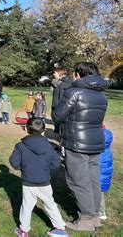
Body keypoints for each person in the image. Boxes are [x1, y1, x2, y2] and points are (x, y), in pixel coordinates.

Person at [52, 62, 108, 232]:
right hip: (95, 141)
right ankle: (95, 216)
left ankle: (86, 219)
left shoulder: (73, 92)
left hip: (77, 142)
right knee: (92, 180)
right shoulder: (101, 95)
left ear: (78, 74)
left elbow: (57, 115)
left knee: (78, 180)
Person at [9, 118, 68, 237]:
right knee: (50, 204)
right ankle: (60, 228)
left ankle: (23, 230)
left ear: (26, 129)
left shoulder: (20, 146)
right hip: (44, 182)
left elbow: (14, 163)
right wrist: (44, 169)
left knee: (26, 206)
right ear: (43, 130)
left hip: (29, 183)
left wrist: (24, 168)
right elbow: (56, 163)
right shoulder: (48, 146)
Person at [51, 67, 71, 136]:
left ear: (59, 73)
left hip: (59, 109)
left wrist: (56, 109)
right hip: (57, 107)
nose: (53, 74)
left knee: (61, 126)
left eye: (55, 73)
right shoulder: (58, 83)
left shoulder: (63, 84)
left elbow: (62, 99)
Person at [99, 124, 113, 220]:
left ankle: (99, 212)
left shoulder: (97, 152)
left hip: (97, 177)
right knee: (100, 193)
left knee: (97, 194)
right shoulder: (108, 151)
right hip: (104, 177)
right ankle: (102, 211)